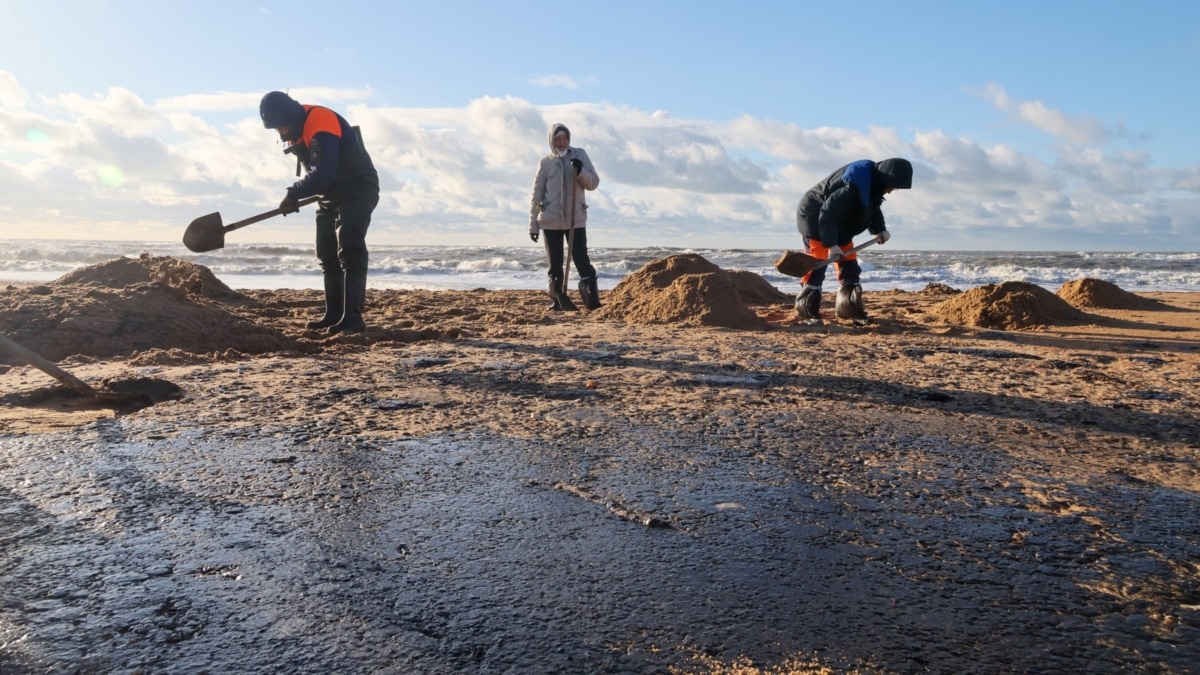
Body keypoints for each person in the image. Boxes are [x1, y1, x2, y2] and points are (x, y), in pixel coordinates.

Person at [259, 91, 380, 334]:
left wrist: (293, 193)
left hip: (357, 189)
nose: (281, 133)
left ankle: (353, 318)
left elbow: (324, 175)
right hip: (328, 195)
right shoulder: (296, 130)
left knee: (350, 247)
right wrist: (298, 194)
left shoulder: (321, 121)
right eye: (277, 130)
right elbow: (320, 177)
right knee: (326, 253)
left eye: (282, 127)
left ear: (292, 117)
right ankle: (333, 314)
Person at [794, 158, 913, 325]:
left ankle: (848, 310)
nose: (891, 191)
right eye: (892, 186)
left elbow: (873, 206)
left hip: (840, 224)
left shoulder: (874, 184)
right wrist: (832, 245)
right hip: (815, 217)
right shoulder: (852, 185)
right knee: (817, 264)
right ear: (886, 178)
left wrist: (879, 229)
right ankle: (807, 312)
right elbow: (828, 213)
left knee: (849, 266)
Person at [528, 123, 601, 310]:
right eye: (557, 139)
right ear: (552, 141)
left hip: (575, 219)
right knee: (555, 264)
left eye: (564, 138)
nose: (561, 142)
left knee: (581, 259)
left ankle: (592, 301)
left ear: (569, 139)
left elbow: (593, 183)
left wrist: (581, 171)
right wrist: (533, 225)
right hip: (551, 220)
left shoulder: (580, 155)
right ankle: (558, 300)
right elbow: (537, 195)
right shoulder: (545, 163)